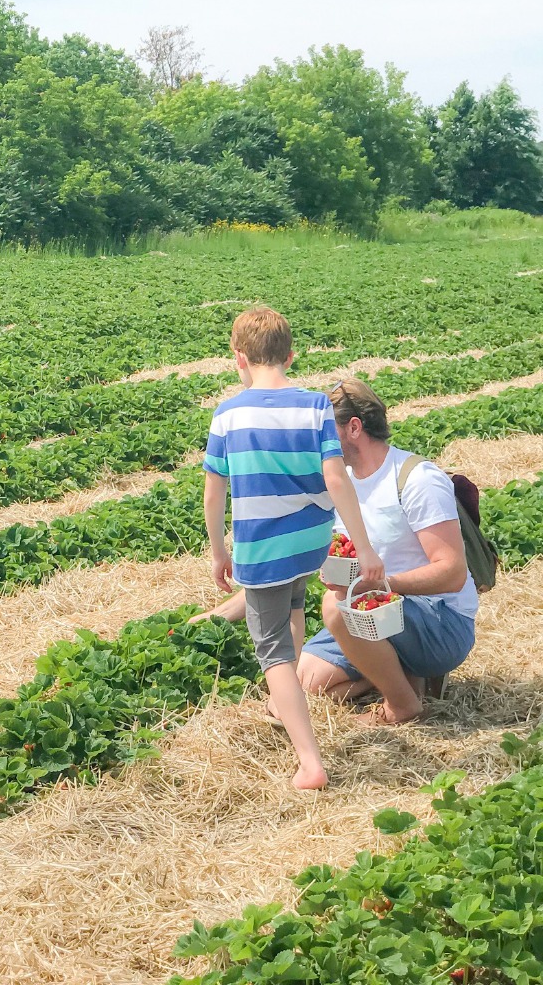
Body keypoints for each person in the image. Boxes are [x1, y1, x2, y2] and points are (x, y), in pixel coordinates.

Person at [202, 308, 384, 790]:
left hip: (262, 546)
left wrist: (219, 551)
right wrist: (364, 549)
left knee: (272, 651)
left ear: (237, 358)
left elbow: (213, 492)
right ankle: (281, 705)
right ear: (290, 355)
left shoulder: (229, 413)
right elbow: (334, 478)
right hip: (310, 539)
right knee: (295, 602)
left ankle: (310, 762)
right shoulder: (315, 407)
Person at [297, 379, 478, 725]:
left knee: (335, 608)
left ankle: (402, 704)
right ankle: (400, 676)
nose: (317, 441)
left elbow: (452, 572)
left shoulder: (415, 480)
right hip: (375, 613)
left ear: (353, 428)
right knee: (308, 681)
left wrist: (383, 586)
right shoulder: (342, 482)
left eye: (324, 430)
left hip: (440, 620)